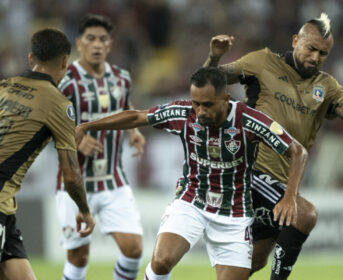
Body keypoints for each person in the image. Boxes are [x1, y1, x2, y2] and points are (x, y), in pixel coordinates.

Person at [75, 67, 308, 280]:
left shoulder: (249, 120)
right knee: (162, 260)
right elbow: (137, 116)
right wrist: (87, 126)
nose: (200, 111)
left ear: (226, 99)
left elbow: (298, 152)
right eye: (196, 103)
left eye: (207, 105)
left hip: (234, 214)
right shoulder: (184, 113)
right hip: (192, 202)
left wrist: (289, 197)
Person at [203, 12, 343, 280]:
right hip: (249, 171)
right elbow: (208, 85)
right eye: (311, 49)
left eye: (323, 53)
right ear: (296, 39)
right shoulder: (263, 62)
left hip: (284, 182)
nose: (315, 58)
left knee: (253, 263)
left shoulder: (326, 87)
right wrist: (215, 56)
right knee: (305, 214)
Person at [55, 14, 145, 280]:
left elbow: (125, 107)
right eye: (90, 39)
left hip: (113, 180)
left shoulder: (122, 78)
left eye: (102, 39)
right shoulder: (65, 80)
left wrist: (135, 131)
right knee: (79, 256)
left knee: (133, 249)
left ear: (110, 44)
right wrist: (76, 139)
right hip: (74, 181)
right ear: (79, 43)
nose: (97, 45)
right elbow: (46, 125)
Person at [0, 28, 95, 280]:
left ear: (31, 58)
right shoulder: (59, 105)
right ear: (65, 61)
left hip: (5, 208)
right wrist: (84, 210)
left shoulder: (5, 86)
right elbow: (71, 175)